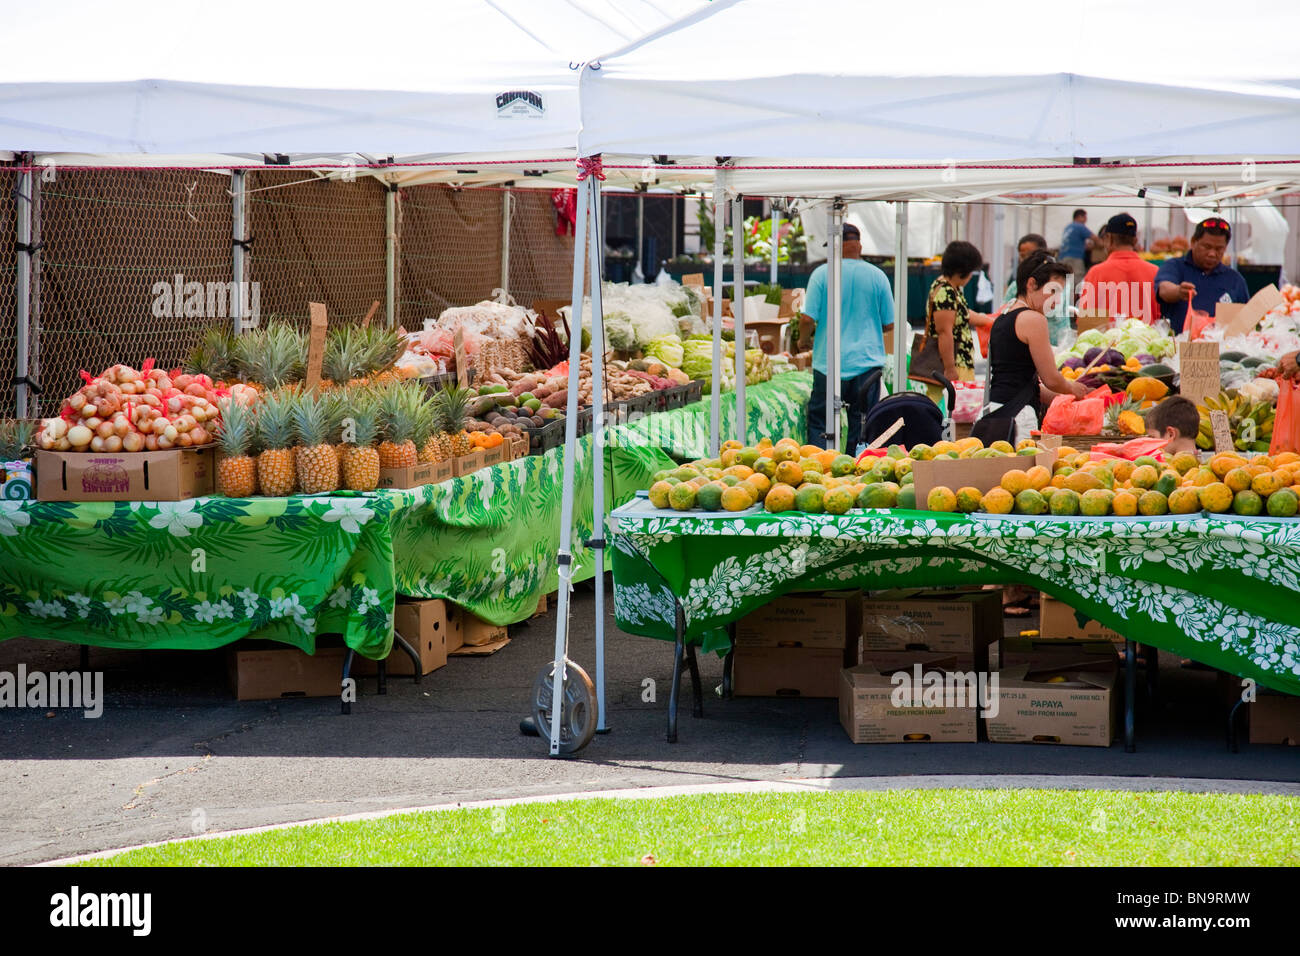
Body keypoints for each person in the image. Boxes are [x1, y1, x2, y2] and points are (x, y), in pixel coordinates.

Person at [798, 223, 895, 451]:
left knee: (821, 422)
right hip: (867, 365)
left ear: (835, 246)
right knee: (861, 425)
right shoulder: (878, 276)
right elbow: (889, 324)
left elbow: (806, 319)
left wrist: (803, 340)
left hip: (828, 364)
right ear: (859, 246)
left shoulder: (822, 274)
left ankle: (818, 471)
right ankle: (855, 474)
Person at [980, 252, 1089, 444]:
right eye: (1053, 291)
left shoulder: (1005, 314)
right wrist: (1072, 389)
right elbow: (1051, 379)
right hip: (1018, 418)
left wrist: (1064, 398)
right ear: (1031, 284)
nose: (1056, 301)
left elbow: (1022, 381)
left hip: (997, 410)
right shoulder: (1034, 319)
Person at [1155, 216, 1249, 333]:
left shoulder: (1235, 280)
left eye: (1219, 249)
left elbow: (1246, 319)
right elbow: (1164, 289)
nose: (1212, 254)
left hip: (1221, 349)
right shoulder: (1174, 266)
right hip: (1178, 347)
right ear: (1193, 242)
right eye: (1207, 247)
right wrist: (1178, 291)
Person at [925, 240, 993, 389]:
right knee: (952, 409)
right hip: (953, 365)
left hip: (960, 363)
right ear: (963, 270)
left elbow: (963, 313)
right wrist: (950, 368)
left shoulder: (949, 287)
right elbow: (944, 332)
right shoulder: (946, 292)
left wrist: (988, 320)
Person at [1079, 213, 1159, 323]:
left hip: (1109, 340)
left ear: (1108, 238)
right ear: (1135, 241)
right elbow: (1162, 319)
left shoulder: (1096, 273)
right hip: (1148, 340)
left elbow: (1086, 322)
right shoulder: (1155, 271)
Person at [1001, 233, 1047, 305]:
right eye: (1022, 256)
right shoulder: (1015, 286)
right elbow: (1003, 311)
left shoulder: (1058, 281)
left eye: (1031, 254)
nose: (1026, 259)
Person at [1059, 210, 1094, 287]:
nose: (1086, 220)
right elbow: (1095, 239)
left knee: (1066, 280)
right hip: (1075, 258)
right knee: (1078, 280)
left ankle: (1068, 297)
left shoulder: (1068, 227)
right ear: (1079, 217)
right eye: (1085, 217)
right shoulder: (1080, 226)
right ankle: (1079, 298)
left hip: (1063, 257)